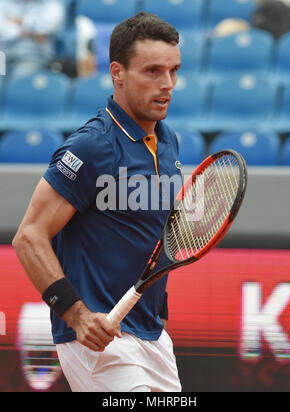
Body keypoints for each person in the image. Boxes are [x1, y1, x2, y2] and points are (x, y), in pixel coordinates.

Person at [12, 12, 182, 392]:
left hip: (152, 337)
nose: (167, 84)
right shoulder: (91, 146)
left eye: (173, 71)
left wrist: (161, 314)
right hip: (99, 337)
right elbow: (29, 236)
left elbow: (151, 239)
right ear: (117, 73)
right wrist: (77, 316)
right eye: (152, 71)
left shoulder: (169, 142)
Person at [0, 0, 65, 78]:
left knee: (19, 84)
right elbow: (2, 30)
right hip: (3, 54)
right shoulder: (5, 2)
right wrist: (31, 32)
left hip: (33, 55)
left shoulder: (51, 4)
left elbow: (44, 27)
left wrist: (15, 21)